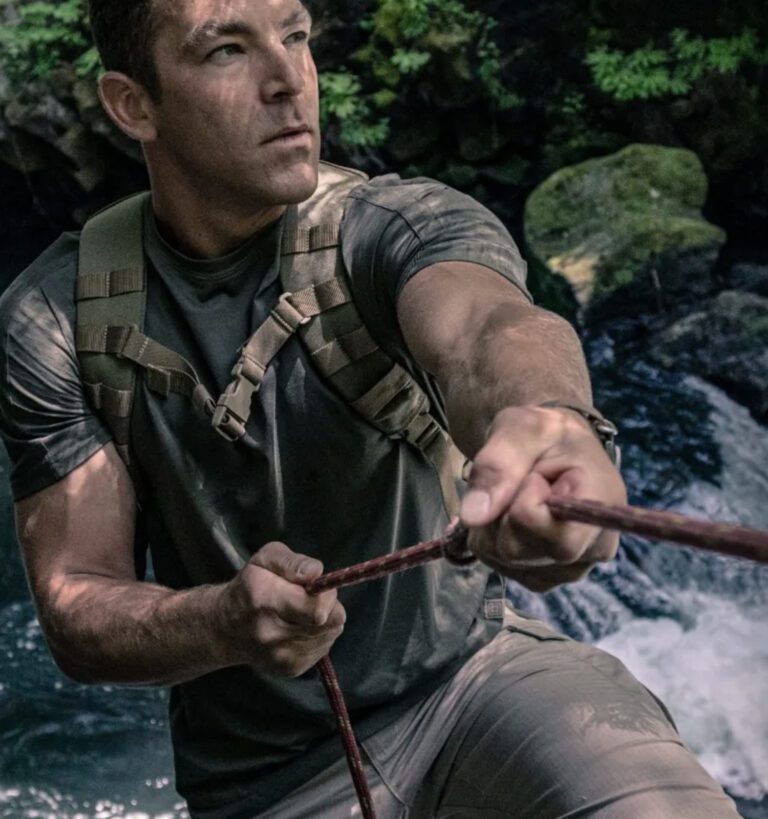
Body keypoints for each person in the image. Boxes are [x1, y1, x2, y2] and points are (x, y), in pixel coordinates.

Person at [0, 0, 740, 817]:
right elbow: (77, 603)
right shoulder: (57, 317)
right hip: (264, 784)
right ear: (133, 103)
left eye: (295, 36)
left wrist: (552, 422)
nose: (289, 80)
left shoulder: (395, 226)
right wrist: (221, 621)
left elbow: (487, 329)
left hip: (481, 681)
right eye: (227, 51)